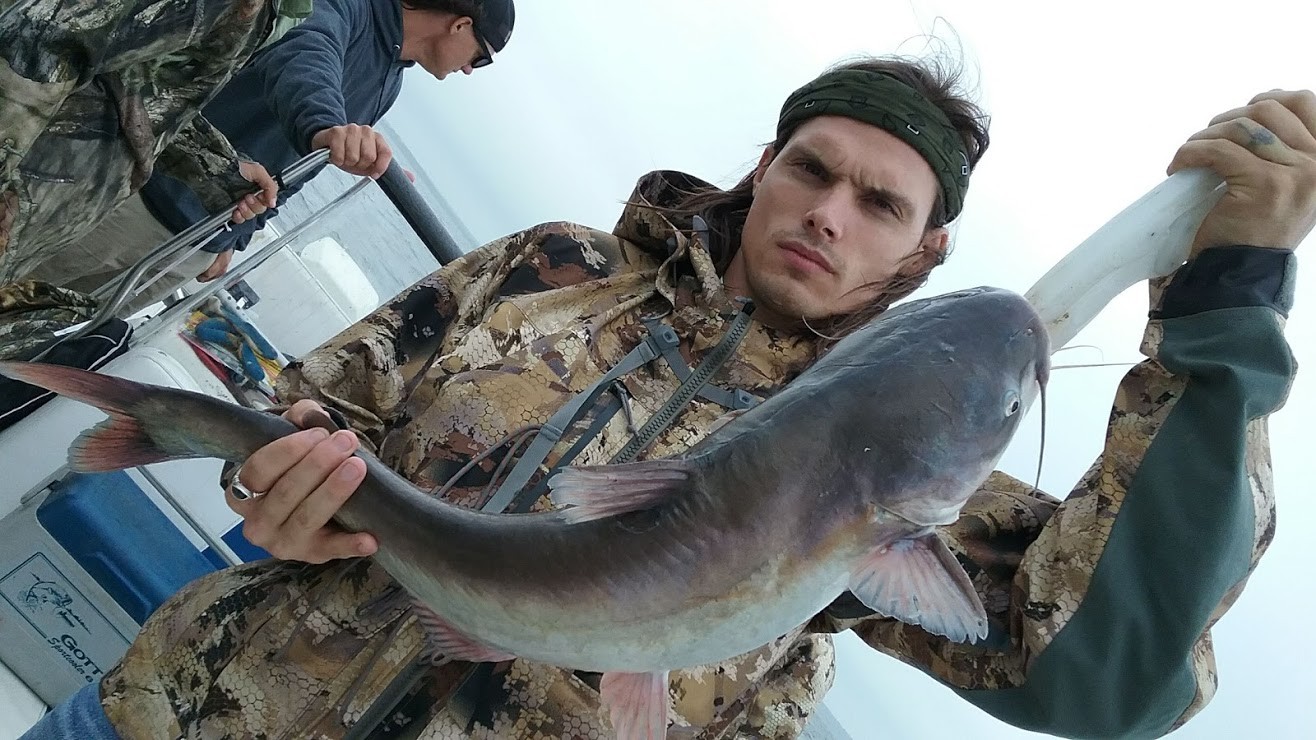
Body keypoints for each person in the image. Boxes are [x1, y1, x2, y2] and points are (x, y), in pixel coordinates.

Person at [23, 54, 1314, 739]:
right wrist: (277, 478)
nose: (827, 212)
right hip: (168, 720)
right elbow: (315, 408)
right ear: (762, 169)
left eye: (881, 204)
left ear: (924, 257)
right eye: (813, 168)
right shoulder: (550, 266)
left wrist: (1227, 317)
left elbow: (1114, 675)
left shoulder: (904, 487)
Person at [23, 0, 517, 310]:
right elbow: (305, 52)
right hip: (126, 201)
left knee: (49, 344)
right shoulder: (344, 8)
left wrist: (232, 240)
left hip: (184, 247)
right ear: (461, 24)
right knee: (17, 297)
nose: (473, 71)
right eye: (483, 56)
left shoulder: (392, 78)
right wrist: (325, 126)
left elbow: (291, 173)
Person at [0, 0, 301, 287]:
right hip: (17, 190)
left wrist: (217, 169)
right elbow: (41, 44)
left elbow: (135, 78)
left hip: (34, 213)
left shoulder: (283, 10)